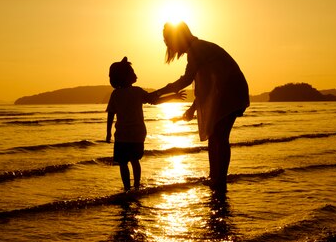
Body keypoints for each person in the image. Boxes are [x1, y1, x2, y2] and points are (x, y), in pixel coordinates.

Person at [155, 22, 249, 193]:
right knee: (217, 136)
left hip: (231, 90)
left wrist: (158, 93)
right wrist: (192, 109)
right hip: (232, 89)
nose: (170, 47)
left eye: (169, 43)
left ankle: (218, 179)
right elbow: (204, 87)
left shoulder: (197, 49)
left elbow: (186, 80)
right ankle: (217, 177)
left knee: (218, 136)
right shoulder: (198, 48)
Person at [106, 57, 185, 191]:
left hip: (122, 135)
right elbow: (154, 100)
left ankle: (127, 188)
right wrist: (172, 95)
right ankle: (136, 186)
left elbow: (110, 114)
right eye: (132, 72)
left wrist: (108, 133)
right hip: (136, 134)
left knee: (123, 163)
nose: (135, 75)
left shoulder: (116, 94)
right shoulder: (136, 92)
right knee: (134, 160)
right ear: (125, 76)